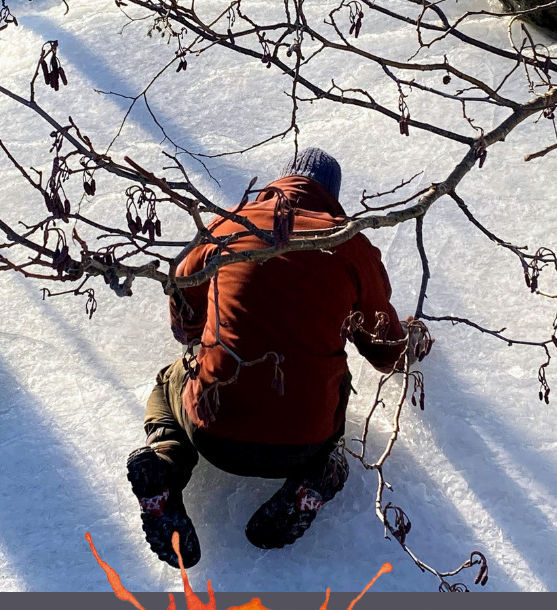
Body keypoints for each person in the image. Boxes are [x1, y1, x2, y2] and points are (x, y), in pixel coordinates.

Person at [126, 148, 411, 566]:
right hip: (304, 441)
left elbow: (183, 315)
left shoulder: (229, 224)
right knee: (335, 380)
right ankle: (318, 475)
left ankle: (165, 461)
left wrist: (206, 328)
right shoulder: (349, 244)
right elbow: (387, 354)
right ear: (331, 197)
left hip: (213, 434)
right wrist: (413, 339)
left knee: (169, 380)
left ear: (280, 183)